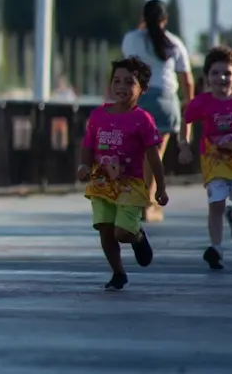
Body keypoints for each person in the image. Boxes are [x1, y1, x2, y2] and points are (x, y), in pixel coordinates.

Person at [76, 57, 167, 291]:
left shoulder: (143, 120)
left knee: (122, 233)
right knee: (105, 230)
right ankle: (118, 272)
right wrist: (84, 167)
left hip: (131, 184)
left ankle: (137, 237)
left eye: (129, 82)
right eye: (116, 81)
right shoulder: (98, 116)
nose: (121, 87)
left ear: (142, 89)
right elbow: (88, 146)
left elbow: (153, 156)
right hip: (101, 183)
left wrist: (161, 187)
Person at [177, 46, 232, 271]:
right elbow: (185, 121)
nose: (221, 78)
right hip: (214, 160)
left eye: (227, 73)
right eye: (215, 73)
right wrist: (184, 145)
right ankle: (216, 248)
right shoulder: (202, 102)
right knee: (215, 202)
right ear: (207, 77)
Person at [120, 0, 194, 222]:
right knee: (155, 154)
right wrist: (189, 102)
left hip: (138, 99)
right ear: (165, 20)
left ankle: (138, 199)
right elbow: (187, 80)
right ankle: (148, 203)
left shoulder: (132, 39)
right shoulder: (175, 43)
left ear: (143, 18)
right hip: (165, 101)